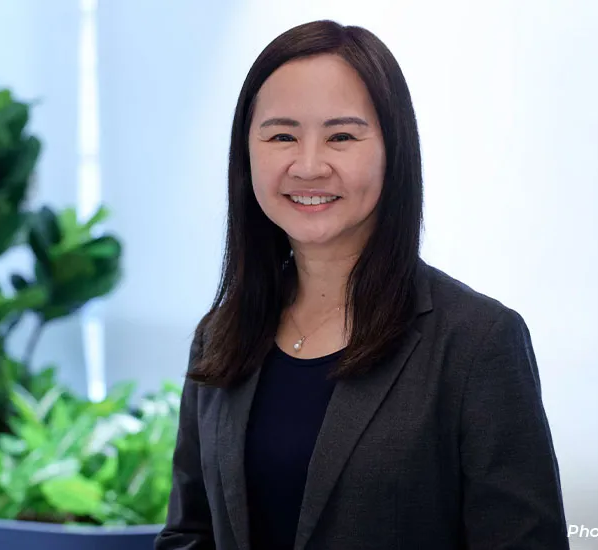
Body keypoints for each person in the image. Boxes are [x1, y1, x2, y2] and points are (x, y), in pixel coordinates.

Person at [154, 20, 570, 550]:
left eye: (342, 137)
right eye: (282, 135)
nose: (307, 165)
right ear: (247, 153)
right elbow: (190, 534)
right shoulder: (221, 333)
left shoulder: (477, 343)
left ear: (392, 151)